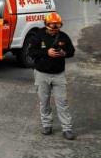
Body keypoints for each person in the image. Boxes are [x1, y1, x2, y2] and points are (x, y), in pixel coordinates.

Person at [28, 12, 76, 140]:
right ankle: (47, 125)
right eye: (51, 26)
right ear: (46, 25)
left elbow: (71, 51)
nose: (54, 29)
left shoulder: (64, 37)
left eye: (57, 26)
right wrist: (46, 52)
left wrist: (64, 53)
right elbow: (31, 52)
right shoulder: (38, 36)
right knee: (44, 101)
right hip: (41, 74)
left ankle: (67, 128)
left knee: (62, 102)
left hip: (59, 75)